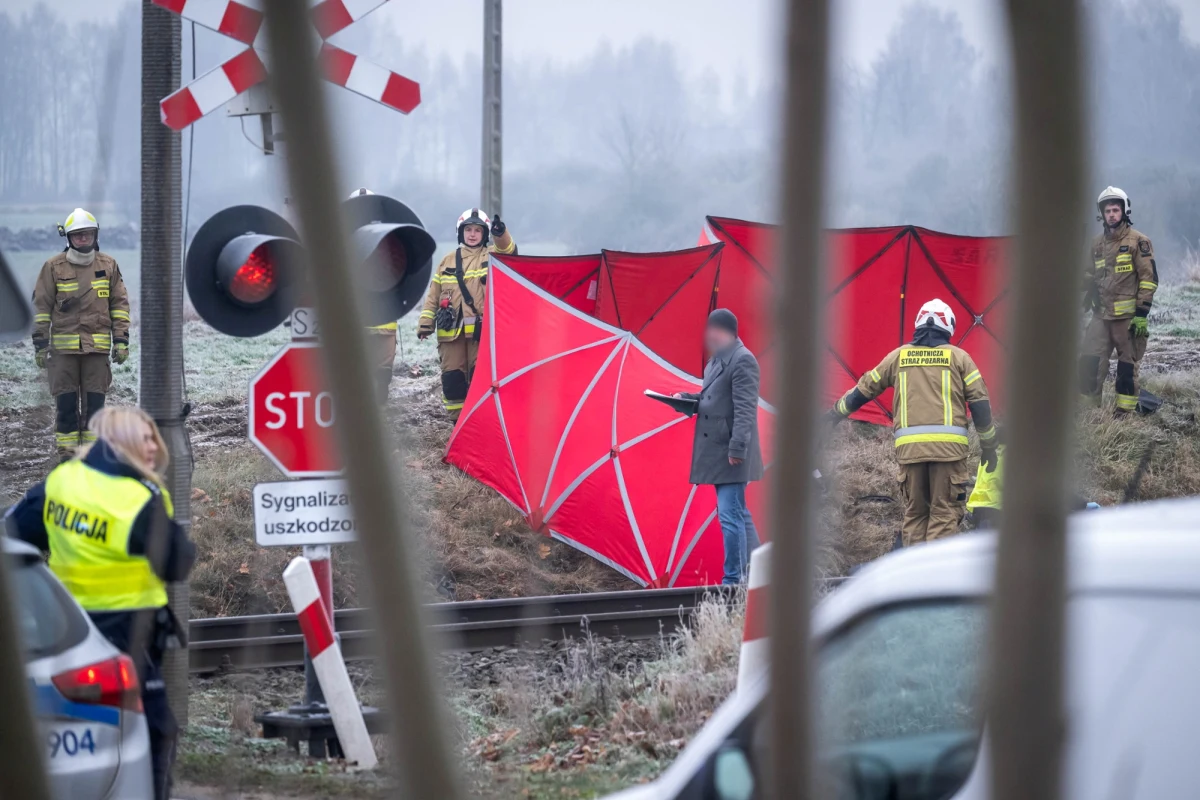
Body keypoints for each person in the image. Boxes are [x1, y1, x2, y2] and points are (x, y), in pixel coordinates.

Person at [5, 406, 195, 800]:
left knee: (80, 725)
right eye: (143, 438)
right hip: (129, 633)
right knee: (153, 732)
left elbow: (15, 531)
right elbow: (179, 562)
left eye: (151, 437)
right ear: (120, 442)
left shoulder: (61, 481)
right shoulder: (136, 498)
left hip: (66, 632)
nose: (151, 446)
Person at [826, 298, 998, 546]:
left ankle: (913, 580)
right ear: (948, 326)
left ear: (918, 324)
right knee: (944, 514)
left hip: (911, 454)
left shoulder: (897, 357)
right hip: (948, 456)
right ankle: (938, 580)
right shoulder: (960, 358)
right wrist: (989, 446)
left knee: (916, 516)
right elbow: (980, 404)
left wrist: (833, 415)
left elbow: (863, 390)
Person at [32, 208, 132, 461]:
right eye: (78, 235)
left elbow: (119, 304)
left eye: (87, 234)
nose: (83, 239)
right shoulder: (52, 267)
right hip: (63, 354)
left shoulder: (108, 265)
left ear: (95, 235)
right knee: (65, 408)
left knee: (95, 410)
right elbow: (41, 307)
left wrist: (121, 340)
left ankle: (91, 457)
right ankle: (67, 457)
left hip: (96, 354)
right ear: (68, 238)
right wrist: (40, 344)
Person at [676, 309, 763, 585]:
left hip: (732, 453)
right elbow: (711, 399)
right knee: (737, 512)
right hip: (717, 451)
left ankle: (733, 581)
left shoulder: (743, 360)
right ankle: (763, 571)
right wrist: (684, 400)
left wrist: (737, 448)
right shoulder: (717, 361)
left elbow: (746, 409)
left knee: (730, 515)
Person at [417, 208, 516, 416]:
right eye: (468, 229)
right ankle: (457, 427)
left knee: (481, 382)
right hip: (450, 336)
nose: (472, 234)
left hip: (481, 335)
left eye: (477, 230)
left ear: (485, 234)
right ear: (460, 232)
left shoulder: (492, 255)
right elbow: (433, 296)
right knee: (453, 383)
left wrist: (501, 233)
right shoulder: (447, 261)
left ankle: (479, 426)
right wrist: (425, 325)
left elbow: (509, 252)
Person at [1080, 186, 1157, 414]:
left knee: (1126, 367)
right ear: (1102, 214)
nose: (1111, 214)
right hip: (1101, 315)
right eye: (1107, 211)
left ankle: (1124, 415)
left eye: (1115, 210)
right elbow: (1087, 274)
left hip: (1128, 318)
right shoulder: (1096, 244)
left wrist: (1142, 314)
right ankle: (1089, 413)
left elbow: (1148, 279)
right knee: (1089, 361)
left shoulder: (1139, 242)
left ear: (1124, 211)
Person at [348, 189, 400, 403]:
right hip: (355, 317)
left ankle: (380, 394)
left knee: (383, 367)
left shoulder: (390, 240)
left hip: (384, 318)